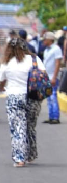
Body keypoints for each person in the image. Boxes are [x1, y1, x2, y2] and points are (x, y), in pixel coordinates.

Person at [0, 37, 44, 167]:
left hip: (14, 96)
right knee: (30, 126)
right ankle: (31, 154)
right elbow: (43, 74)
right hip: (33, 97)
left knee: (18, 127)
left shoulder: (6, 63)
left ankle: (20, 158)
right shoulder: (34, 59)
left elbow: (1, 81)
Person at [41, 32, 63, 124]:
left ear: (50, 39)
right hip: (46, 76)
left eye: (45, 39)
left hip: (52, 76)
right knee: (49, 97)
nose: (44, 41)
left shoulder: (56, 49)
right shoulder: (46, 50)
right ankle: (51, 116)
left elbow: (57, 63)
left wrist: (54, 77)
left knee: (53, 96)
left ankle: (55, 117)